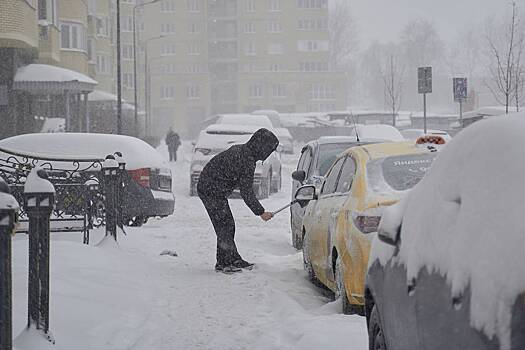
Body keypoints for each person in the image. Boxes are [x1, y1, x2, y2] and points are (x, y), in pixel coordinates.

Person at [197, 128, 279, 274]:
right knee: (225, 225)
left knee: (226, 224)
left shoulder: (244, 151)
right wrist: (261, 212)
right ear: (262, 147)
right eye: (269, 150)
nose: (268, 154)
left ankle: (230, 259)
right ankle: (225, 262)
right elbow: (246, 191)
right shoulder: (246, 159)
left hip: (213, 187)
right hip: (210, 189)